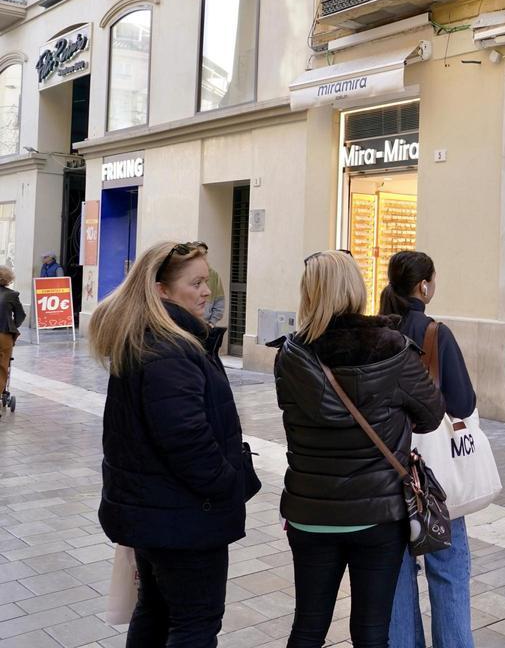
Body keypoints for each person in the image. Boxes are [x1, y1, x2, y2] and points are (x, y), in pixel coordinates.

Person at [90, 241, 260, 646]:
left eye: (208, 281)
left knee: (156, 610)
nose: (207, 291)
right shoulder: (171, 348)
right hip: (183, 518)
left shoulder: (152, 338)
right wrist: (226, 483)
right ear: (162, 291)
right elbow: (186, 438)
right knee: (195, 622)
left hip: (156, 512)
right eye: (196, 283)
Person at [272, 250, 444, 648]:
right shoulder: (393, 348)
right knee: (371, 632)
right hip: (377, 514)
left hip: (309, 512)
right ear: (356, 288)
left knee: (308, 627)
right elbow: (432, 414)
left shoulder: (291, 356)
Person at [378, 250, 477, 648]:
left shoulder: (376, 330)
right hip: (431, 476)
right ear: (424, 285)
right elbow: (464, 402)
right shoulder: (435, 332)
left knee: (398, 576)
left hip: (386, 470)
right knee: (448, 568)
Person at [0, 267, 24, 404]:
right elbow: (21, 316)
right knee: (3, 366)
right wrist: (13, 325)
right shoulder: (12, 295)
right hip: (4, 334)